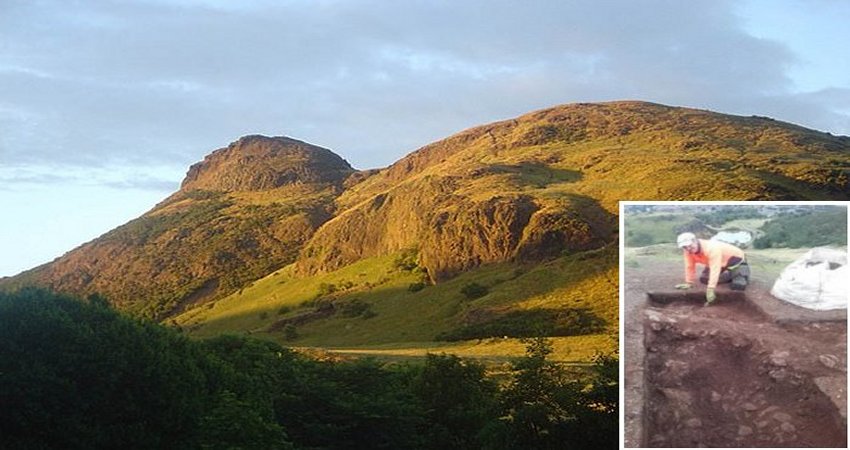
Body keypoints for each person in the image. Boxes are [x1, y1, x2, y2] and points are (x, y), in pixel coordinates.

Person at [674, 232, 750, 306]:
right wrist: (689, 282)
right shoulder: (688, 251)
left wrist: (711, 288)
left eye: (689, 245)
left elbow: (715, 268)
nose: (688, 248)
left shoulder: (711, 248)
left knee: (738, 286)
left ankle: (740, 273)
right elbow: (689, 266)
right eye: (684, 247)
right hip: (718, 263)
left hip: (735, 261)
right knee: (704, 279)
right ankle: (731, 275)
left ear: (695, 241)